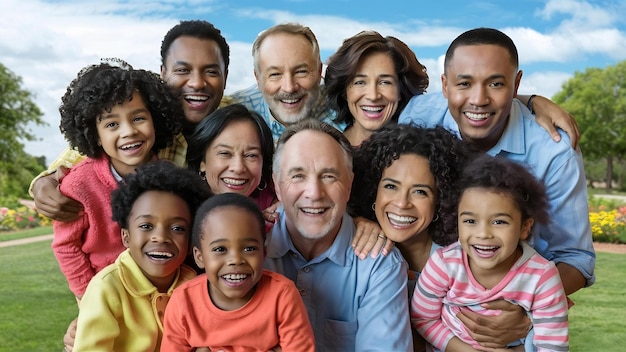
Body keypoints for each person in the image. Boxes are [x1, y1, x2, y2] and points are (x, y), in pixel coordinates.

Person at [399, 27, 592, 349]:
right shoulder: (419, 115)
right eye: (464, 83)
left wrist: (527, 307)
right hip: (428, 311)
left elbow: (576, 257)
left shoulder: (555, 151)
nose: (478, 99)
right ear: (445, 86)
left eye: (496, 83)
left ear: (515, 83)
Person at [232, 22, 580, 146]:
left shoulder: (420, 120)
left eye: (384, 81)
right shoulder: (237, 113)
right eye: (359, 82)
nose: (371, 94)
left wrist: (530, 100)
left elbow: (471, 99)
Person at [30, 19, 230, 222]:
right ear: (163, 73)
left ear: (226, 75)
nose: (197, 83)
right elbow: (83, 151)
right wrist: (43, 182)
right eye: (182, 70)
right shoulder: (138, 118)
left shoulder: (237, 116)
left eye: (211, 71)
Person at [265, 118, 412, 351]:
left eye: (329, 176)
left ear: (349, 185)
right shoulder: (251, 247)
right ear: (277, 185)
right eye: (298, 175)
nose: (314, 193)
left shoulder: (380, 265)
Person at [52, 60, 183, 299]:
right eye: (112, 124)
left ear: (155, 120)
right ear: (96, 135)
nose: (128, 131)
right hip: (107, 294)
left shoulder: (170, 177)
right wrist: (89, 297)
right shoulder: (78, 184)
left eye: (138, 118)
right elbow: (66, 247)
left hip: (163, 293)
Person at [411, 155, 569, 352]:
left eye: (499, 222)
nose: (483, 234)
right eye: (470, 221)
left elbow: (552, 345)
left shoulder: (542, 276)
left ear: (524, 227)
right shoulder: (444, 264)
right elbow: (423, 319)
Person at [350, 124, 476, 351]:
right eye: (390, 186)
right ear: (373, 191)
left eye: (420, 191)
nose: (401, 203)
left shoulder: (467, 262)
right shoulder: (355, 249)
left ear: (442, 199)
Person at [72, 161, 212, 351]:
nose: (161, 237)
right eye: (146, 226)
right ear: (126, 236)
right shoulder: (106, 288)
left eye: (178, 228)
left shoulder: (194, 285)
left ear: (191, 241)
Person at [161, 193, 315, 351]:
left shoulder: (282, 295)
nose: (235, 259)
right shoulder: (183, 302)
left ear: (263, 253)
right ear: (200, 257)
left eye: (249, 248)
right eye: (220, 249)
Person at [324, 31, 429, 146]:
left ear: (401, 90)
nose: (373, 96)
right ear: (344, 91)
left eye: (384, 82)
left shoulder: (421, 152)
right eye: (360, 82)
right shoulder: (325, 148)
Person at [186, 103, 277, 211]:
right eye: (225, 153)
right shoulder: (182, 207)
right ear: (202, 162)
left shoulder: (280, 201)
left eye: (251, 155)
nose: (238, 168)